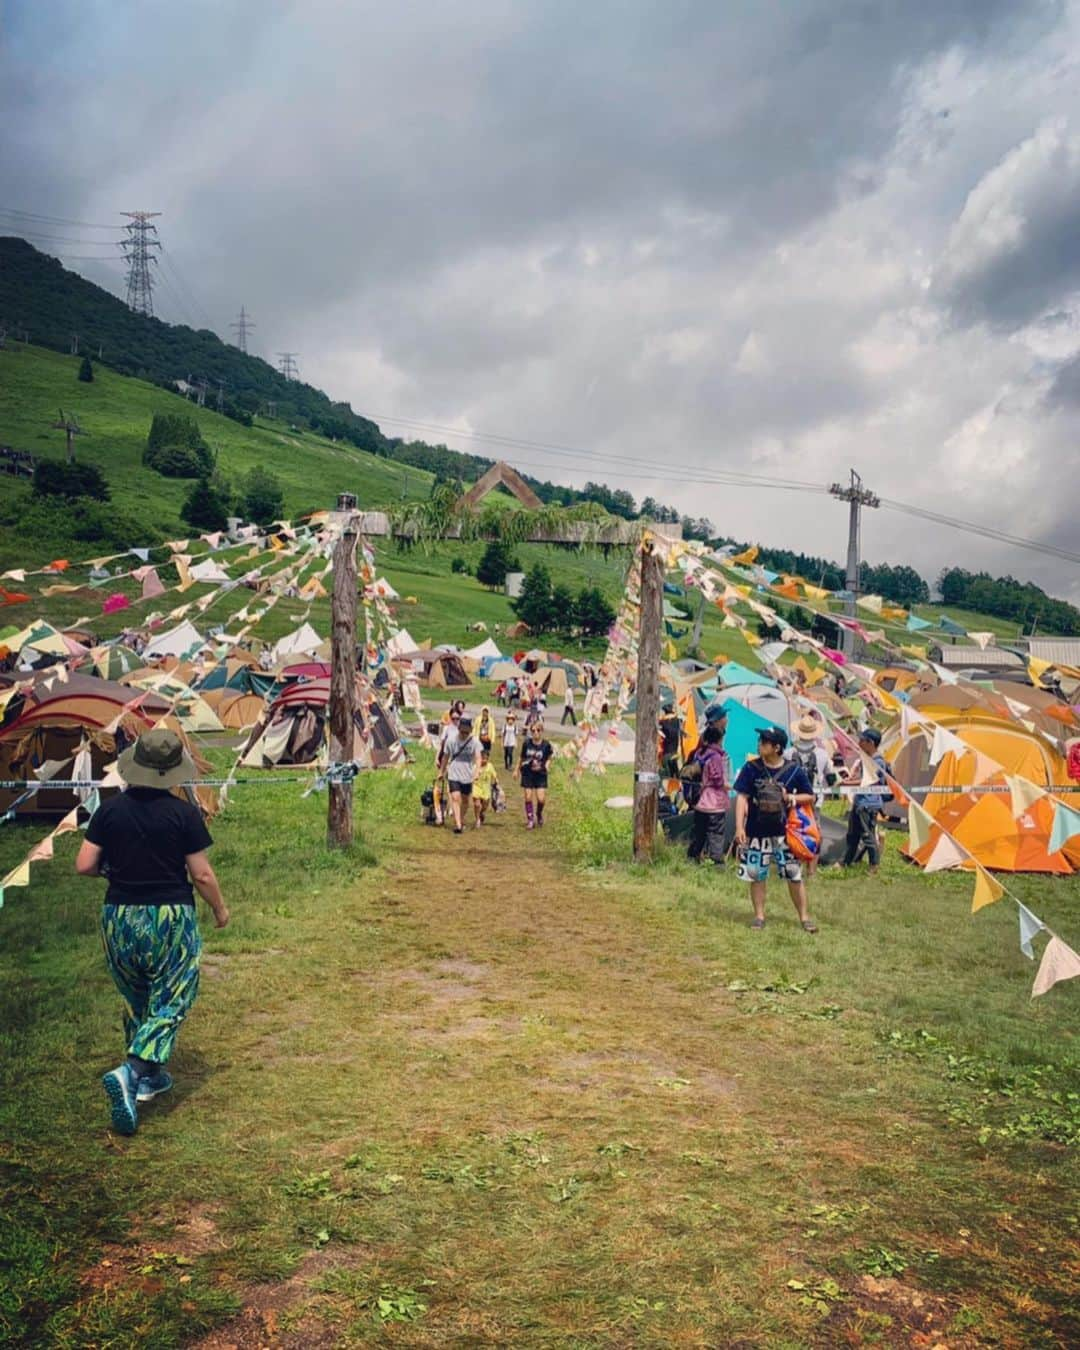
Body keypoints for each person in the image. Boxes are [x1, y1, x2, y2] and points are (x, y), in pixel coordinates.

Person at [74, 729, 229, 1136]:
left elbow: (84, 865)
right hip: (169, 917)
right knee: (174, 994)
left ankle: (149, 1078)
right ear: (173, 771)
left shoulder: (109, 811)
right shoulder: (183, 814)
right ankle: (133, 1071)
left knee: (137, 993)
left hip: (119, 916)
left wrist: (116, 870)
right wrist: (219, 908)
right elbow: (201, 873)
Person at [733, 726, 818, 932]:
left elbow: (810, 796)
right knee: (756, 876)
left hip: (785, 834)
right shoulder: (750, 768)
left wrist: (790, 798)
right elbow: (742, 797)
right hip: (756, 831)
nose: (759, 744)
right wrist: (738, 827)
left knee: (794, 876)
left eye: (764, 741)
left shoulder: (794, 770)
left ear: (777, 747)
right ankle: (759, 916)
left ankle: (804, 918)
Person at [788, 713, 838, 876]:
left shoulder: (789, 753)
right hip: (815, 801)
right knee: (815, 833)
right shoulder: (823, 754)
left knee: (793, 832)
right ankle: (812, 870)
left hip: (793, 799)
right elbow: (832, 779)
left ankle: (794, 866)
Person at [839, 726, 893, 874]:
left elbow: (867, 781)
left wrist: (846, 783)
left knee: (868, 836)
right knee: (852, 835)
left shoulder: (877, 761)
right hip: (860, 801)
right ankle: (846, 862)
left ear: (870, 742)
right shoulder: (868, 759)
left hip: (868, 804)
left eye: (862, 740)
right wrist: (850, 780)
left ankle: (874, 865)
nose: (859, 743)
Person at [686, 715, 732, 865]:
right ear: (719, 740)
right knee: (716, 833)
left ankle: (692, 857)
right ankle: (717, 861)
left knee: (699, 831)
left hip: (702, 800)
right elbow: (718, 779)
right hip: (715, 802)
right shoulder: (716, 756)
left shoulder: (701, 754)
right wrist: (728, 785)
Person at [437, 713, 480, 834]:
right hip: (454, 772)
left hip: (467, 774)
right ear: (459, 729)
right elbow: (445, 757)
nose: (465, 734)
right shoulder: (451, 741)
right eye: (463, 732)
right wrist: (441, 771)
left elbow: (478, 758)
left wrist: (476, 772)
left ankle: (460, 818)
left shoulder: (474, 742)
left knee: (466, 801)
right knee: (455, 797)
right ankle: (458, 824)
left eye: (467, 732)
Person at [517, 720, 554, 828]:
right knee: (528, 797)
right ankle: (530, 819)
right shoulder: (527, 743)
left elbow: (550, 756)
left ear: (542, 731)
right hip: (527, 773)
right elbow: (521, 757)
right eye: (533, 730)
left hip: (540, 774)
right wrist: (516, 770)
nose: (535, 732)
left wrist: (547, 764)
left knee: (541, 799)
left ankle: (539, 813)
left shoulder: (546, 745)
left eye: (538, 730)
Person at [473, 749, 499, 827]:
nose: (484, 760)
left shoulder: (490, 766)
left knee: (485, 805)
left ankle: (481, 813)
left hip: (486, 788)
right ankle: (477, 819)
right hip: (476, 786)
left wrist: (496, 780)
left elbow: (494, 774)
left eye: (486, 759)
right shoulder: (475, 766)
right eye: (482, 758)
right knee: (477, 804)